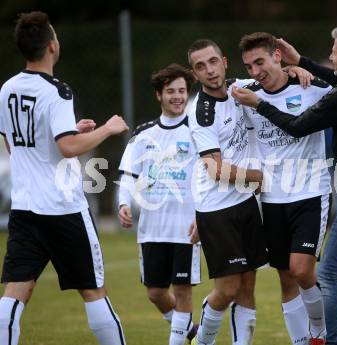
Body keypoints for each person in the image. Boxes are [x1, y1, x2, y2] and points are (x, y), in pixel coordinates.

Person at [232, 24, 337, 345]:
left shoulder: (328, 91)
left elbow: (299, 126)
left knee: (324, 274)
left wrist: (260, 103)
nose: (330, 56)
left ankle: (328, 339)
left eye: (335, 52)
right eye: (249, 66)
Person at [0, 12, 129, 345]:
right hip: (62, 208)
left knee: (15, 293)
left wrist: (70, 130)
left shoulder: (7, 88)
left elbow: (13, 141)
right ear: (52, 47)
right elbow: (69, 148)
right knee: (94, 291)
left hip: (25, 207)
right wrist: (106, 129)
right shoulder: (58, 91)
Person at [236, 32, 333, 345]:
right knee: (286, 277)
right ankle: (300, 341)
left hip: (310, 192)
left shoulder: (311, 87)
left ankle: (319, 330)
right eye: (249, 66)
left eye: (260, 62)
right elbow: (212, 87)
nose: (255, 71)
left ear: (278, 55)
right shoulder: (245, 94)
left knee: (302, 270)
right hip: (272, 198)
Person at [187, 39, 267, 345]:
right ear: (195, 75)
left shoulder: (239, 87)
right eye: (200, 66)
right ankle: (202, 341)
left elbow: (273, 77)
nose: (209, 70)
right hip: (217, 209)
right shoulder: (201, 113)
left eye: (212, 62)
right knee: (228, 289)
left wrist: (297, 69)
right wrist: (257, 178)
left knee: (248, 287)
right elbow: (215, 170)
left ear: (224, 61)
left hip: (245, 203)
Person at [117, 63, 200, 345]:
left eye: (182, 91)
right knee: (155, 292)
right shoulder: (143, 134)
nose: (177, 96)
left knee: (183, 289)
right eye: (170, 91)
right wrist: (122, 204)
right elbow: (128, 175)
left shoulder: (197, 131)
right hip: (151, 228)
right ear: (159, 95)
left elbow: (211, 175)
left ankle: (177, 340)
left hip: (185, 228)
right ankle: (189, 331)